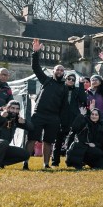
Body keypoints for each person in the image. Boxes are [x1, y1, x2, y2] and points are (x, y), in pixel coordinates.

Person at [24, 39, 67, 169]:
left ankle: (46, 164)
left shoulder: (64, 88)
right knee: (32, 139)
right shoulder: (46, 80)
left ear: (63, 73)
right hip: (39, 114)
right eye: (57, 69)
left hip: (53, 117)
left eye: (61, 70)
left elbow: (64, 106)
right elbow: (36, 68)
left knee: (48, 141)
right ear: (53, 71)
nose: (59, 71)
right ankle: (25, 162)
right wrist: (35, 53)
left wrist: (62, 122)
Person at [53, 72, 87, 167]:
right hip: (61, 118)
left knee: (72, 141)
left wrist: (81, 84)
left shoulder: (77, 90)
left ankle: (70, 161)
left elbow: (83, 99)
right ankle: (55, 162)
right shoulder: (60, 89)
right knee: (58, 141)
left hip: (73, 119)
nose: (71, 81)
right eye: (69, 79)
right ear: (65, 79)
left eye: (73, 80)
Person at [0, 100, 30, 169]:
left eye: (17, 109)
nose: (14, 111)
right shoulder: (2, 114)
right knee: (3, 142)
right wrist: (1, 115)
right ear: (8, 108)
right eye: (12, 108)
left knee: (26, 154)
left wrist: (24, 122)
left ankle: (0, 163)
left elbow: (31, 128)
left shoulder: (16, 120)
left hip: (4, 147)